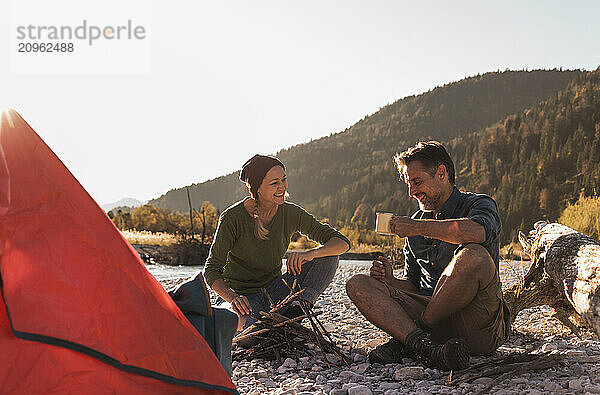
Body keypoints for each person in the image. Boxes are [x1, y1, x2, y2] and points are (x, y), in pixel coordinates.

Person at [346, 141, 509, 371]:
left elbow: (476, 232)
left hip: (477, 326)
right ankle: (425, 348)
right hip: (433, 321)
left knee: (473, 254)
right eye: (409, 184)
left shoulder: (479, 204)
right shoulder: (415, 222)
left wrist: (417, 227)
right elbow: (414, 285)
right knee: (357, 284)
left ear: (441, 174)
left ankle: (410, 340)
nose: (412, 192)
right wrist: (391, 281)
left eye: (417, 182)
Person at [204, 154, 351, 331]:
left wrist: (310, 253)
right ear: (257, 188)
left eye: (284, 179)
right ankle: (268, 324)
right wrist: (232, 297)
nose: (282, 187)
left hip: (275, 292)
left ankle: (297, 310)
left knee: (328, 256)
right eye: (274, 183)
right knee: (245, 328)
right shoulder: (232, 217)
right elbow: (211, 270)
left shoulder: (290, 212)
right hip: (240, 299)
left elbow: (342, 243)